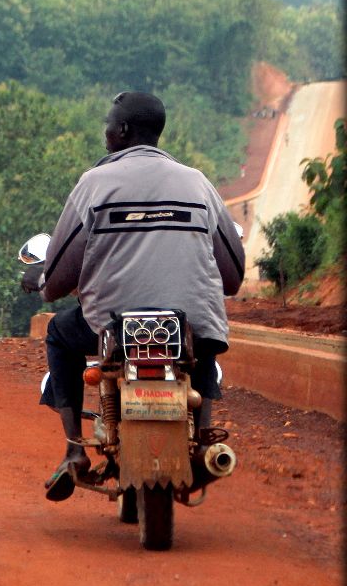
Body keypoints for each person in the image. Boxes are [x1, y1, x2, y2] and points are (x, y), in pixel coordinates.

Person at [24, 90, 244, 502]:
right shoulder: (198, 183)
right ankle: (202, 443)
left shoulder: (94, 184)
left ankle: (75, 450)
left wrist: (42, 282)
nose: (105, 130)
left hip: (112, 329)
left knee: (59, 334)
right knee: (202, 336)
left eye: (109, 123)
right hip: (187, 328)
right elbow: (233, 277)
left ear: (122, 130)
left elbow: (55, 280)